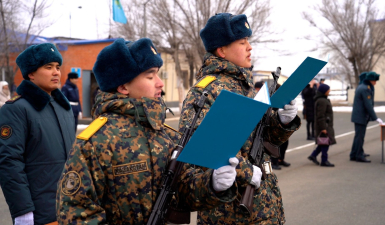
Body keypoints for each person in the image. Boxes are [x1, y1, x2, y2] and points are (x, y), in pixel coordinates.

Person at [56, 38, 239, 224]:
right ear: (123, 86)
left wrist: (212, 184)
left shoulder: (165, 135)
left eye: (157, 75)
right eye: (150, 76)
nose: (160, 83)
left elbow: (183, 189)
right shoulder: (95, 142)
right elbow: (76, 212)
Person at [179, 13, 301, 224]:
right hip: (231, 213)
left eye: (248, 41)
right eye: (242, 42)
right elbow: (201, 151)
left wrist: (282, 121)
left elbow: (265, 139)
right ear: (222, 50)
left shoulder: (245, 88)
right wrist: (244, 171)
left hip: (265, 204)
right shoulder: (206, 92)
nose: (249, 47)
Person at [0, 43, 75, 225]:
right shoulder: (17, 109)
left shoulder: (64, 109)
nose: (56, 72)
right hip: (40, 212)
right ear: (31, 73)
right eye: (48, 67)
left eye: (57, 67)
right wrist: (23, 211)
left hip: (71, 209)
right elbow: (9, 162)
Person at [350, 71, 382, 163]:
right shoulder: (365, 89)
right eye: (374, 81)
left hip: (360, 116)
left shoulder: (363, 87)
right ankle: (358, 155)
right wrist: (375, 117)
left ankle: (354, 153)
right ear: (370, 80)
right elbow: (368, 105)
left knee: (358, 136)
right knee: (360, 137)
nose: (375, 83)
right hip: (361, 116)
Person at [307, 83, 336, 167]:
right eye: (328, 90)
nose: (329, 91)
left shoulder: (323, 99)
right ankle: (324, 160)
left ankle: (313, 155)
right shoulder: (322, 101)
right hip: (324, 125)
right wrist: (323, 128)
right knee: (325, 143)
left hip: (325, 124)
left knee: (323, 142)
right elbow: (321, 115)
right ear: (324, 91)